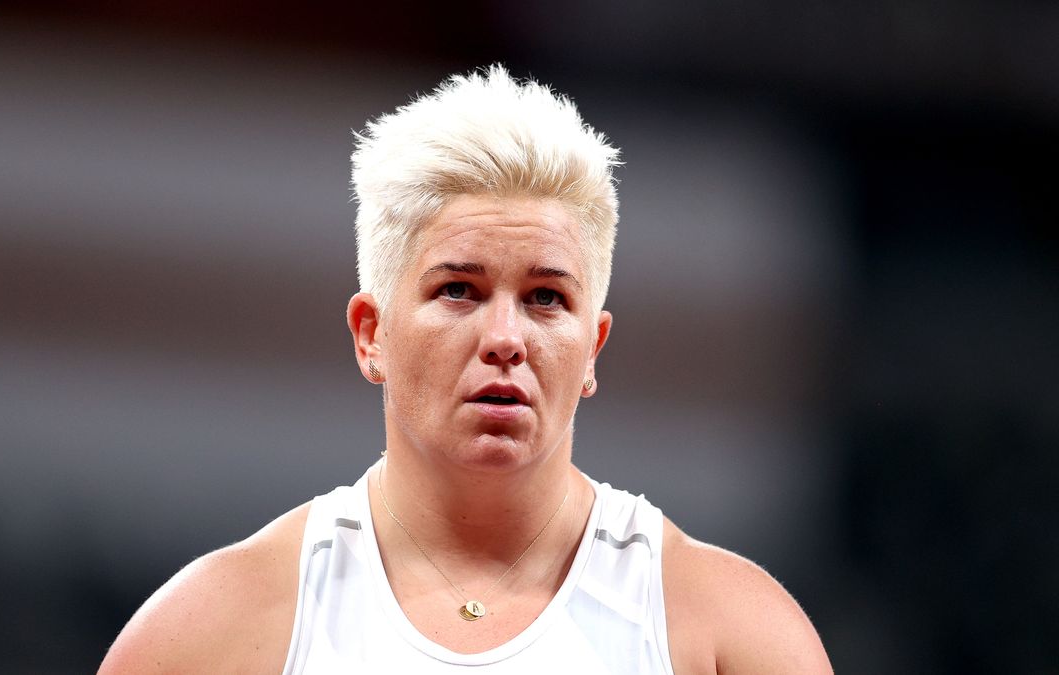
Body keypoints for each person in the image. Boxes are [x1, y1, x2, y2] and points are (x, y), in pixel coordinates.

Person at [99, 66, 832, 674]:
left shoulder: (731, 636)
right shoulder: (211, 634)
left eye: (546, 297)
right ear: (371, 333)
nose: (505, 337)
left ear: (593, 351)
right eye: (459, 290)